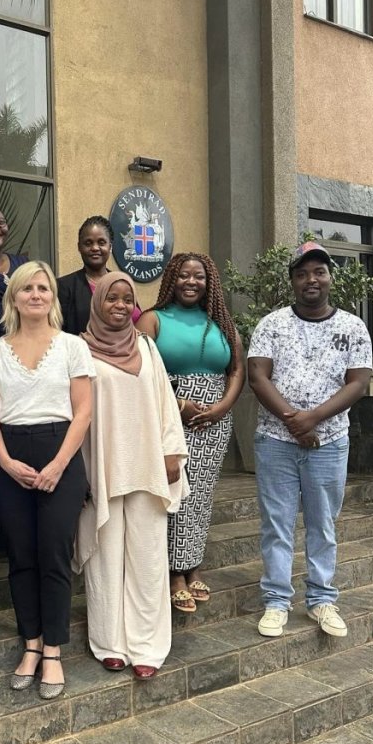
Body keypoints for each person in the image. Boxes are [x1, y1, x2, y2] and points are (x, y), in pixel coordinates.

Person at [0, 261, 94, 699]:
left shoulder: (72, 347)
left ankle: (54, 651)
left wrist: (60, 465)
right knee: (21, 555)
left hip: (59, 453)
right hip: (11, 457)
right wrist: (3, 462)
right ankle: (30, 644)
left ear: (52, 298)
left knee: (55, 555)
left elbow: (82, 411)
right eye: (27, 289)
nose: (36, 295)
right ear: (15, 297)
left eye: (43, 288)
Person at [248, 241, 372, 639]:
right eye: (302, 274)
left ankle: (321, 599)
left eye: (318, 272)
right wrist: (292, 422)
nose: (310, 280)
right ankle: (276, 601)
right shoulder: (272, 324)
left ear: (330, 277)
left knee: (323, 523)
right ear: (293, 282)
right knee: (277, 524)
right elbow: (257, 375)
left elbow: (359, 382)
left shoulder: (352, 327)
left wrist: (314, 419)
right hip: (275, 441)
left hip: (330, 440)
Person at [74, 272, 189, 680]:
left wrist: (172, 451)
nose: (120, 306)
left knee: (148, 557)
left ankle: (147, 645)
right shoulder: (78, 350)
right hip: (100, 467)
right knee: (105, 558)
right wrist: (77, 474)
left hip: (147, 464)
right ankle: (110, 642)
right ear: (98, 303)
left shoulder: (147, 348)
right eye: (112, 299)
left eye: (127, 299)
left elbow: (164, 402)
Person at [138, 253, 245, 613]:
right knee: (171, 494)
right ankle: (172, 573)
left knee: (199, 496)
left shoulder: (222, 323)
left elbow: (236, 370)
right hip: (167, 418)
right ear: (171, 279)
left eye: (198, 276)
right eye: (183, 275)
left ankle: (193, 566)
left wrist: (222, 407)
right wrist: (179, 403)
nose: (191, 282)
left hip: (213, 421)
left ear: (208, 282)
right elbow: (139, 372)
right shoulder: (153, 320)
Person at [57, 216, 141, 335]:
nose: (95, 248)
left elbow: (137, 322)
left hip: (124, 351)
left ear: (110, 247)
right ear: (79, 247)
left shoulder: (123, 283)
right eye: (88, 243)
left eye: (101, 242)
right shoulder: (63, 287)